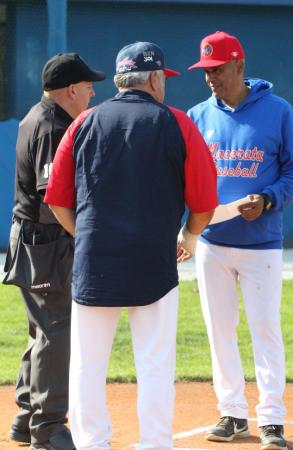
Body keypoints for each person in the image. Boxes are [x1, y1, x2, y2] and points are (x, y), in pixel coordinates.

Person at [43, 41, 218, 449]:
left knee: (88, 364)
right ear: (155, 78)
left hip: (94, 260)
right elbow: (205, 202)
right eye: (165, 79)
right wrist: (189, 238)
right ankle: (155, 443)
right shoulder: (178, 123)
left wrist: (83, 235)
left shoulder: (83, 122)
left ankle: (92, 443)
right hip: (154, 261)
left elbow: (56, 199)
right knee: (155, 364)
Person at [186, 31, 293, 449]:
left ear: (239, 64)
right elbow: (184, 178)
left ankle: (272, 419)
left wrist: (270, 198)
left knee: (265, 329)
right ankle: (232, 413)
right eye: (206, 71)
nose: (210, 78)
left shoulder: (277, 111)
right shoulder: (197, 116)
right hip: (212, 243)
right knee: (219, 330)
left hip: (261, 242)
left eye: (217, 69)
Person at [2, 52, 105, 450]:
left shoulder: (41, 115)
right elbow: (53, 199)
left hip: (35, 239)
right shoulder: (52, 125)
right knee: (56, 330)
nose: (93, 92)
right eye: (89, 85)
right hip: (46, 241)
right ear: (71, 89)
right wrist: (85, 236)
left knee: (43, 329)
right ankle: (47, 428)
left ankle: (26, 414)